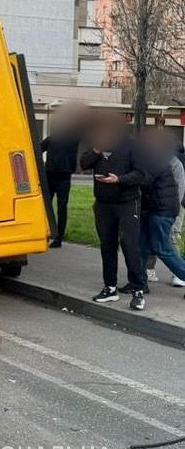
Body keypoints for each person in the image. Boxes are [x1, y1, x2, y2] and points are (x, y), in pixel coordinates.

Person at [80, 113, 149, 310]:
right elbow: (84, 164)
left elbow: (141, 174)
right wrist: (96, 150)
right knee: (107, 245)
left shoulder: (131, 145)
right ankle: (110, 287)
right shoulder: (98, 145)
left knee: (129, 244)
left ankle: (138, 290)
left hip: (127, 202)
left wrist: (119, 179)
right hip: (103, 203)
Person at [136, 128, 185, 297]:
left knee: (162, 247)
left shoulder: (158, 158)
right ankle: (139, 283)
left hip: (161, 210)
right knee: (143, 246)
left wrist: (122, 179)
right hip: (152, 208)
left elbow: (145, 179)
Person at [41, 129, 80, 248]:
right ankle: (49, 234)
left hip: (60, 176)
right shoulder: (54, 138)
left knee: (58, 208)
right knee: (51, 207)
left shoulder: (73, 138)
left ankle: (56, 236)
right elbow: (38, 149)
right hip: (54, 176)